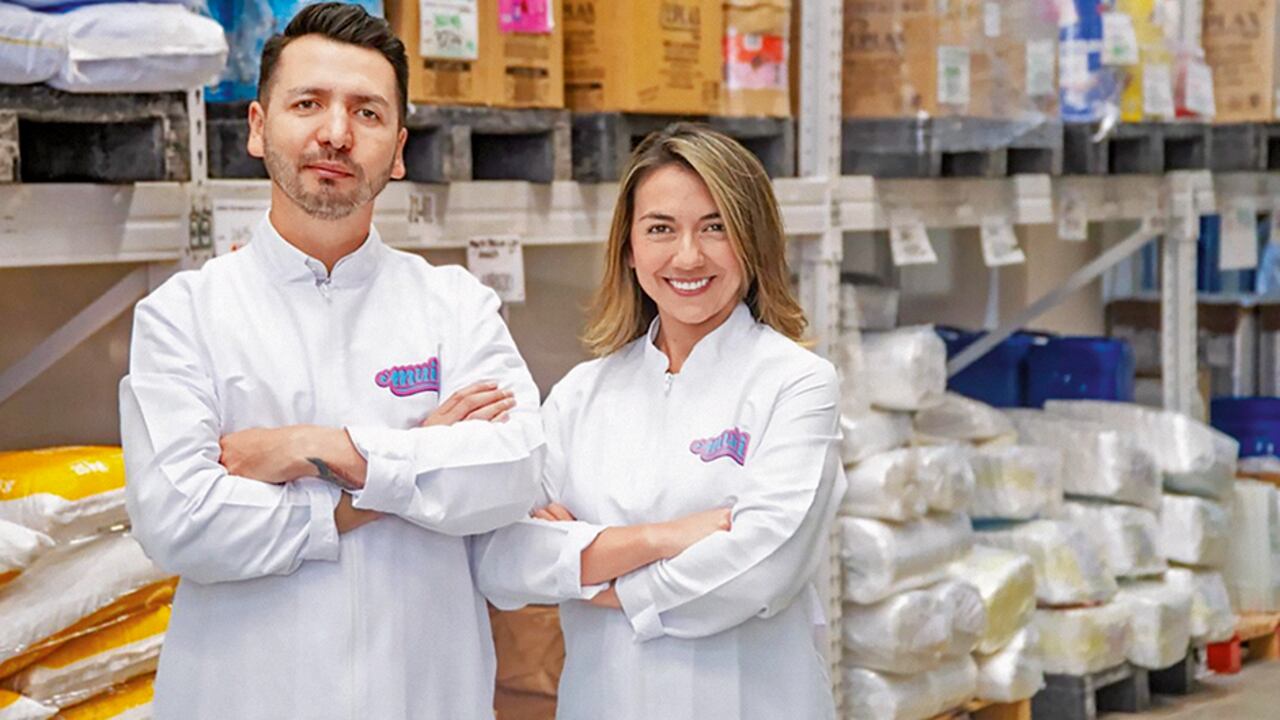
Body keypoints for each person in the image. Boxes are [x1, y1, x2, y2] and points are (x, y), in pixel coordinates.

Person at [117, 4, 542, 718]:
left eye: (367, 113)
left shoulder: (455, 306)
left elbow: (512, 473)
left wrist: (315, 449)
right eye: (308, 103)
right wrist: (410, 468)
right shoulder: (184, 316)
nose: (336, 134)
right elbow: (181, 522)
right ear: (257, 126)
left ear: (400, 147)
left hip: (423, 699)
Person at [473, 124, 845, 719]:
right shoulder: (580, 394)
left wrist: (591, 572)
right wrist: (662, 540)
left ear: (754, 241)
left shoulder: (796, 383)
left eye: (715, 226)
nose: (688, 256)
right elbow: (499, 559)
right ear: (629, 248)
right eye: (660, 229)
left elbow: (759, 572)